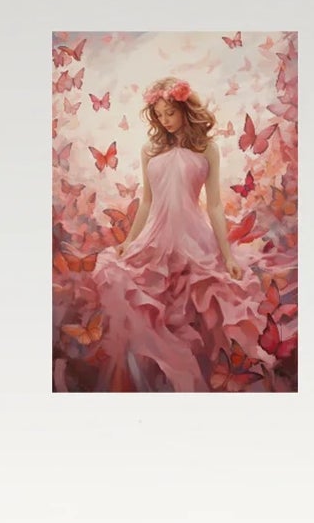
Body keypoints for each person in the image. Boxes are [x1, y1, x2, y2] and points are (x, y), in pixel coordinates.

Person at [88, 79, 268, 393]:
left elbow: (213, 205)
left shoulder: (206, 148)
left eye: (170, 112)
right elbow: (146, 201)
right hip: (156, 238)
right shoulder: (150, 149)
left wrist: (226, 256)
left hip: (193, 240)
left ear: (185, 108)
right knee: (145, 307)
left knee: (195, 316)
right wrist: (130, 241)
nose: (165, 120)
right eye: (159, 115)